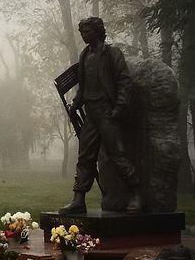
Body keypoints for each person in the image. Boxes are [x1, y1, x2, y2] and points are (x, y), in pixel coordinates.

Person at [59, 17, 142, 214]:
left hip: (107, 112)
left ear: (97, 31)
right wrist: (76, 104)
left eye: (87, 31)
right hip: (91, 114)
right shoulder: (85, 55)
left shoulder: (112, 53)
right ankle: (79, 198)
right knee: (85, 157)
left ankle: (136, 193)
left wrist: (119, 108)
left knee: (117, 155)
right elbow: (84, 86)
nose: (83, 35)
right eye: (82, 32)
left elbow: (124, 82)